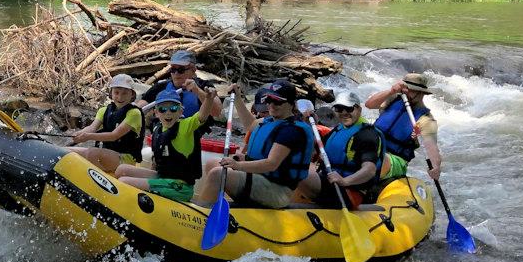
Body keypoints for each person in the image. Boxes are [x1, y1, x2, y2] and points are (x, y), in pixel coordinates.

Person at [192, 80, 314, 209]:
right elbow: (250, 124)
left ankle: (201, 213)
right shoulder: (270, 121)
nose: (271, 105)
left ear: (291, 104)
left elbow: (271, 164)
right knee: (212, 164)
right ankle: (214, 204)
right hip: (260, 179)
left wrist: (238, 165)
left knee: (218, 175)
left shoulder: (291, 130)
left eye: (278, 101)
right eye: (269, 100)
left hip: (276, 191)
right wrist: (238, 98)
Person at [116, 83, 219, 200]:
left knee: (124, 181)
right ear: (156, 112)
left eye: (173, 109)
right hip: (163, 177)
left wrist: (209, 99)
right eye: (163, 109)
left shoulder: (186, 126)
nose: (168, 113)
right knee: (121, 170)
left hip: (180, 187)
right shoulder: (158, 130)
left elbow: (202, 115)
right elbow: (157, 162)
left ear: (180, 111)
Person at [298, 90, 383, 208]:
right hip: (330, 182)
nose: (344, 113)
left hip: (348, 192)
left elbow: (370, 170)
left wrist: (345, 181)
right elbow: (315, 148)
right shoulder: (339, 129)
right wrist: (307, 124)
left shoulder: (367, 135)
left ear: (359, 109)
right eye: (339, 109)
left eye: (349, 109)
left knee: (294, 167)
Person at [364, 73, 441, 181]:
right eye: (404, 88)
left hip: (395, 160)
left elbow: (432, 149)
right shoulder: (393, 99)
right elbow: (369, 104)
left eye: (410, 89)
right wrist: (391, 91)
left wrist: (435, 167)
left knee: (373, 157)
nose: (405, 92)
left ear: (421, 93)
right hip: (371, 148)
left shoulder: (426, 120)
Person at [67, 74, 144, 173]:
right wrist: (80, 133)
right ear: (111, 93)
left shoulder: (134, 113)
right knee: (66, 151)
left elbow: (114, 136)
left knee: (92, 152)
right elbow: (91, 128)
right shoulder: (103, 110)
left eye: (125, 93)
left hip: (126, 158)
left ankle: (98, 175)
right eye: (116, 92)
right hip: (108, 153)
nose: (120, 97)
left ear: (132, 94)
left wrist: (88, 136)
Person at [140, 50, 203, 118]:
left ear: (193, 70)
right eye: (173, 69)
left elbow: (213, 111)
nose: (176, 73)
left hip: (194, 124)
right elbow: (141, 105)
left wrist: (198, 91)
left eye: (181, 70)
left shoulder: (203, 86)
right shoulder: (160, 86)